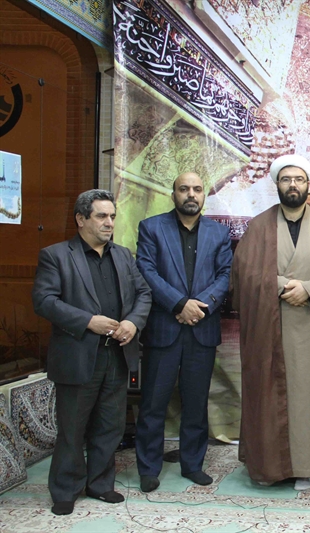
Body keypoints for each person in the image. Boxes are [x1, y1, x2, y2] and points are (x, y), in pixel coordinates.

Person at [230, 154, 310, 490]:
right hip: (271, 327)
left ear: (308, 184)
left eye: (299, 179)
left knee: (307, 398)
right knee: (269, 395)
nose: (293, 185)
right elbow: (245, 273)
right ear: (277, 184)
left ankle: (306, 467)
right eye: (286, 179)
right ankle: (270, 466)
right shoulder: (259, 226)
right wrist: (285, 286)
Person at [31, 189, 151, 515]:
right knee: (72, 429)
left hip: (117, 355)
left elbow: (143, 293)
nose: (109, 222)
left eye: (112, 216)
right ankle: (65, 490)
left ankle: (100, 484)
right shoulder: (56, 255)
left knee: (110, 426)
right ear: (81, 219)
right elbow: (44, 301)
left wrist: (133, 322)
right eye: (101, 216)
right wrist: (88, 321)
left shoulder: (123, 255)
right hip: (77, 355)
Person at [134, 172, 233, 492]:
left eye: (197, 189)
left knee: (195, 403)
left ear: (204, 195)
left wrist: (198, 307)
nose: (191, 194)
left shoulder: (219, 233)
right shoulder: (151, 228)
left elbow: (225, 276)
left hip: (201, 329)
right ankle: (149, 468)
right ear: (173, 194)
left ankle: (192, 464)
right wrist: (179, 304)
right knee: (153, 404)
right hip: (164, 329)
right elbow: (146, 271)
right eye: (184, 189)